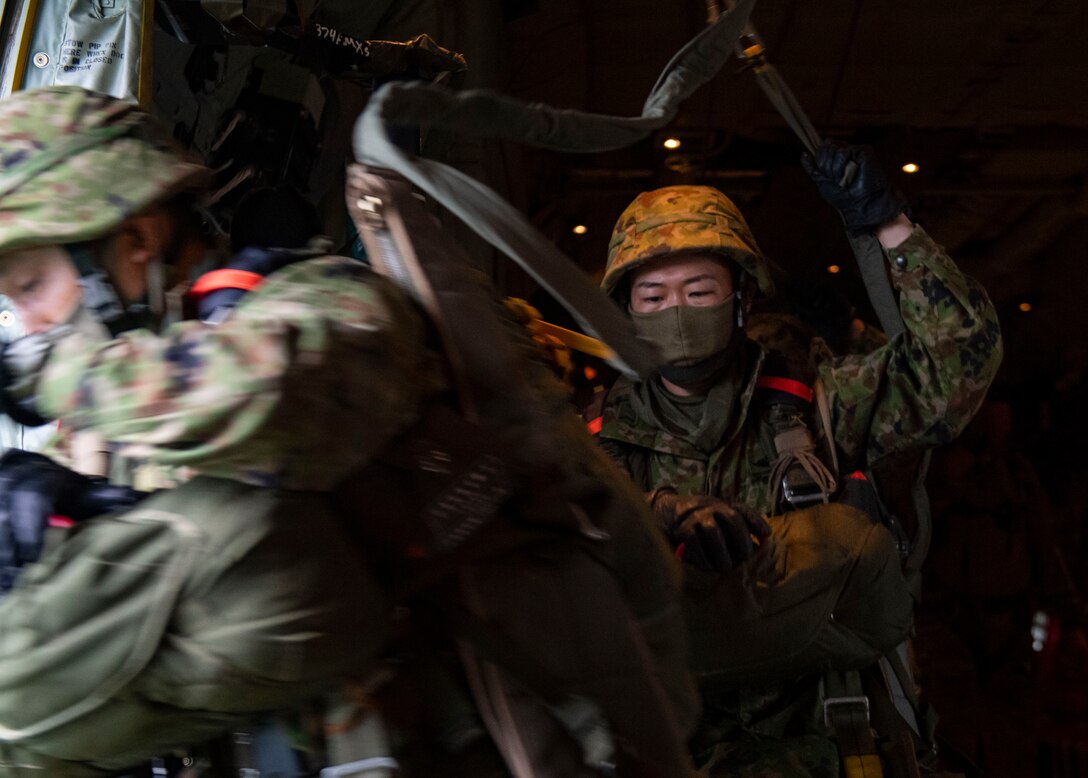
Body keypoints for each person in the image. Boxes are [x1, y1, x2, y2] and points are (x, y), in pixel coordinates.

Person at [0, 86, 697, 777]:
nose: (28, 325)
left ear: (134, 238)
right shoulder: (113, 423)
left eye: (30, 287)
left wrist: (67, 379)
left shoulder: (325, 302)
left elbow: (265, 396)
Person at [594, 142, 1003, 776]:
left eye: (699, 289)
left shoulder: (824, 405)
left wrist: (888, 226)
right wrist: (655, 513)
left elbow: (955, 364)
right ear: (625, 311)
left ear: (742, 301)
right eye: (653, 297)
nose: (675, 310)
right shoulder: (587, 443)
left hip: (832, 747)